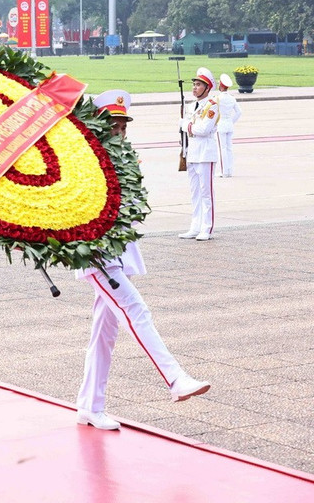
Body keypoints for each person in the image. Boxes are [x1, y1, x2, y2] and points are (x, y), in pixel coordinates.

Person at [75, 90, 211, 432]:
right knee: (136, 310)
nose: (120, 131)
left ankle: (90, 406)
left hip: (118, 253)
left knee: (104, 334)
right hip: (97, 256)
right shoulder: (84, 160)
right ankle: (175, 378)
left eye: (123, 126)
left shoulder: (122, 159)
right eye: (113, 125)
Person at [179, 68, 219, 241]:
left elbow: (204, 129)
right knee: (194, 193)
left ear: (207, 88)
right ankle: (195, 226)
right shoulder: (191, 106)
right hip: (192, 152)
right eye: (194, 84)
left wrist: (186, 126)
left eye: (198, 85)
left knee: (206, 193)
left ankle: (207, 228)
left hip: (205, 153)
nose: (194, 88)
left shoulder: (212, 105)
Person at [215, 73, 243, 178]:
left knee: (222, 149)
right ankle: (230, 170)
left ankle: (224, 172)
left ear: (221, 86)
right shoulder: (231, 98)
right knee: (229, 148)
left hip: (221, 124)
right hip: (229, 124)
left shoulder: (217, 98)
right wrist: (231, 121)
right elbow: (239, 112)